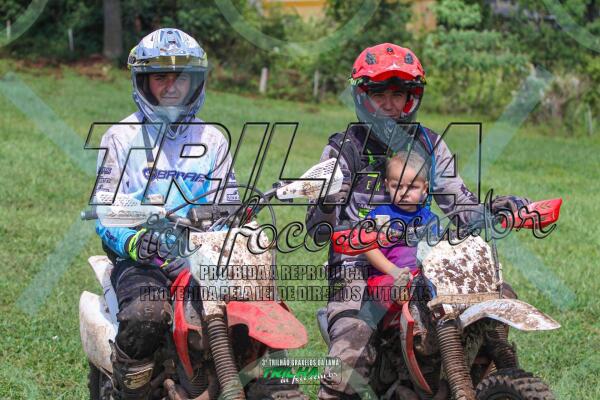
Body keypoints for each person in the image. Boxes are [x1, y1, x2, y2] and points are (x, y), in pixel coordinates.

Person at [306, 43, 528, 399]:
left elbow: (459, 204)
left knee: (497, 297)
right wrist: (325, 199)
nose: (389, 104)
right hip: (358, 266)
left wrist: (495, 211)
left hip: (423, 261)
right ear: (363, 97)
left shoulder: (430, 144)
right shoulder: (345, 147)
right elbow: (317, 230)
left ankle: (484, 375)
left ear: (412, 98)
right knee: (352, 349)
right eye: (379, 94)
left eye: (398, 94)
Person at [92, 28, 239, 399]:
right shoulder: (120, 137)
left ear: (196, 82)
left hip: (203, 256)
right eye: (161, 77)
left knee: (255, 309)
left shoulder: (213, 140)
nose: (172, 87)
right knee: (147, 313)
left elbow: (231, 203)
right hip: (143, 260)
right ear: (143, 82)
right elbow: (105, 212)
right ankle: (130, 390)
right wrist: (137, 243)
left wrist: (234, 226)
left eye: (181, 78)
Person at [363, 151, 437, 310]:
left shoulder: (429, 220)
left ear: (424, 188)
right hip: (385, 275)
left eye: (413, 187)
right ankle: (399, 295)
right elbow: (368, 247)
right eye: (397, 186)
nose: (404, 192)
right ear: (387, 185)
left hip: (420, 277)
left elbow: (438, 251)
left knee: (438, 285)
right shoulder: (380, 215)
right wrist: (393, 270)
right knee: (388, 286)